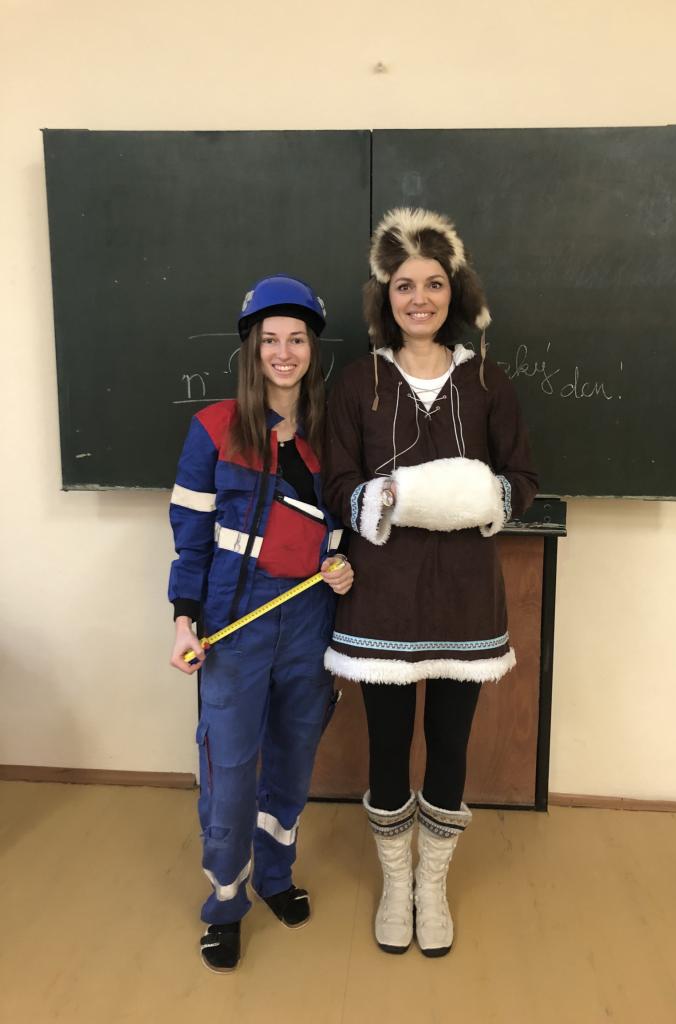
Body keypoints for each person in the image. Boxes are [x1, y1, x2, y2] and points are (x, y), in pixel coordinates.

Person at [323, 208, 538, 958]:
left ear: (456, 291)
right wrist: (388, 499)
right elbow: (337, 484)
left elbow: (521, 479)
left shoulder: (486, 381)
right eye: (405, 285)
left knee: (449, 745)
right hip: (379, 600)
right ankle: (395, 881)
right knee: (387, 746)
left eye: (435, 283)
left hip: (464, 600)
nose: (420, 297)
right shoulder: (357, 383)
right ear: (385, 296)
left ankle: (432, 883)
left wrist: (479, 497)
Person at [168, 275, 354, 973]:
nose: (283, 352)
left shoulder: (335, 434)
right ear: (251, 348)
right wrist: (184, 621)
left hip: (310, 620)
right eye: (270, 339)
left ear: (312, 348)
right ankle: (226, 902)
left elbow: (345, 529)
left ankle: (275, 876)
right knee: (230, 767)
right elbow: (191, 540)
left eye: (296, 339)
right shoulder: (214, 429)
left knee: (293, 757)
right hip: (234, 626)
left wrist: (343, 566)